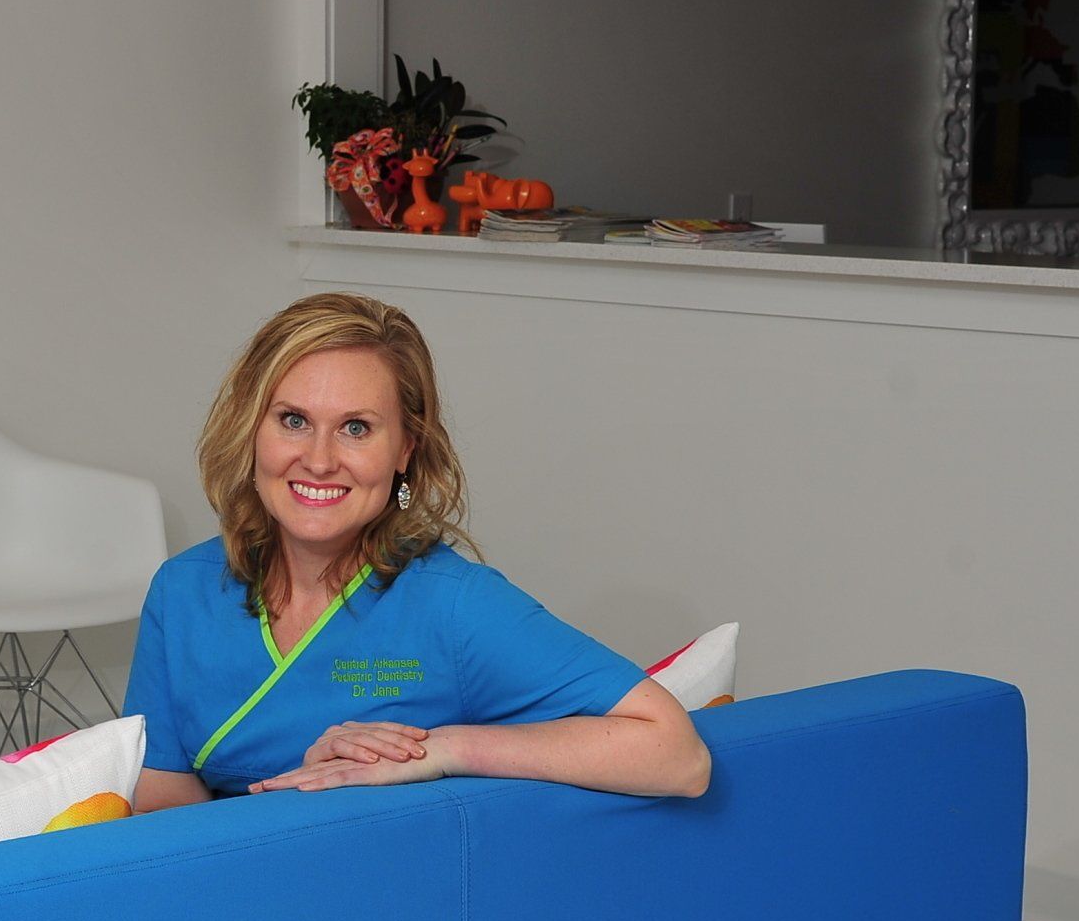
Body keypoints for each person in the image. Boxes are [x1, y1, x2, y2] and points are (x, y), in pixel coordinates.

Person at [123, 292, 711, 812]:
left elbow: (678, 757)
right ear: (252, 429)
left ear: (405, 447)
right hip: (225, 894)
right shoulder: (183, 590)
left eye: (357, 428)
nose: (321, 459)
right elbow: (162, 800)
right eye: (294, 420)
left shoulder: (455, 606)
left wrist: (444, 748)